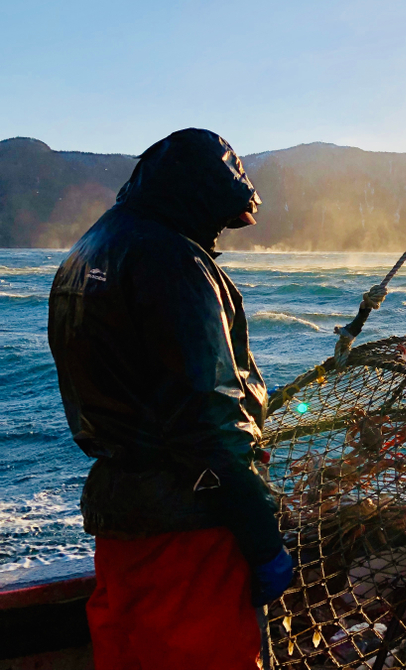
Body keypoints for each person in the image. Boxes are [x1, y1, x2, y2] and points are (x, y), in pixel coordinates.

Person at [48, 128, 293, 669]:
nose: (220, 235)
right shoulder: (173, 261)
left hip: (120, 518)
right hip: (188, 531)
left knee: (129, 651)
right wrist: (260, 537)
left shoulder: (85, 253)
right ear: (199, 199)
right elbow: (208, 417)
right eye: (221, 220)